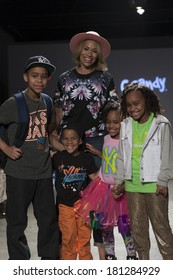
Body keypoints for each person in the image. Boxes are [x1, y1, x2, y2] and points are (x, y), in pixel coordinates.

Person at [0, 55, 59, 260]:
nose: (39, 80)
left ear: (48, 79)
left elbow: (48, 133)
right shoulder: (14, 103)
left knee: (48, 220)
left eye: (43, 76)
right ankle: (19, 263)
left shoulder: (48, 102)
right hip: (19, 172)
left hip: (43, 172)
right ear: (26, 77)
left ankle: (49, 261)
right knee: (17, 221)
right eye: (34, 76)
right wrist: (7, 149)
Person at [114, 82, 173, 260]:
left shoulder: (161, 124)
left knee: (161, 228)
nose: (133, 108)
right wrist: (119, 180)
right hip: (132, 186)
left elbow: (167, 154)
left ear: (146, 101)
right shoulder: (126, 125)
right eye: (129, 105)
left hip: (155, 187)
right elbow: (122, 155)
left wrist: (163, 180)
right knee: (138, 230)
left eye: (137, 103)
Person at [74, 102, 137, 260]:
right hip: (103, 188)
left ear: (124, 120)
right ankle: (110, 256)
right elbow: (111, 159)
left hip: (119, 189)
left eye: (116, 122)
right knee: (105, 225)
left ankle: (131, 255)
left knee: (125, 225)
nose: (111, 125)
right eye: (108, 122)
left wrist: (123, 184)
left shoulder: (126, 140)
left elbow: (127, 163)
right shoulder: (106, 138)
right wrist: (99, 153)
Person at [52, 30, 119, 168]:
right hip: (70, 141)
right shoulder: (64, 78)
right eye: (86, 49)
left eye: (94, 51)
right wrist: (52, 134)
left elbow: (113, 108)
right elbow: (58, 109)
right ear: (79, 51)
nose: (89, 54)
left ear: (98, 55)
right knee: (72, 185)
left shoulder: (106, 79)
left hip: (97, 139)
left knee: (99, 184)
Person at [52, 123, 98, 260]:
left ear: (80, 141)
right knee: (68, 239)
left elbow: (94, 177)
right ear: (61, 141)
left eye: (73, 138)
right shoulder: (57, 158)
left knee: (84, 239)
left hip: (84, 206)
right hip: (65, 206)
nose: (69, 142)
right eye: (66, 138)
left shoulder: (86, 158)